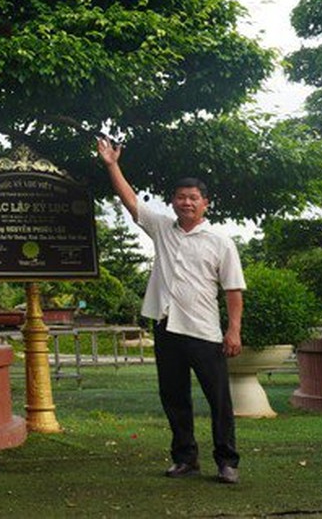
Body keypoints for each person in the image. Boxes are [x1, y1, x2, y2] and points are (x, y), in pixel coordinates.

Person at [96, 137, 245, 485]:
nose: (187, 202)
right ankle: (185, 459)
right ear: (173, 202)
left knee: (219, 401)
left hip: (205, 332)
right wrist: (111, 165)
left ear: (205, 203)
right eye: (181, 197)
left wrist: (233, 329)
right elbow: (131, 202)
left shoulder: (221, 242)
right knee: (175, 400)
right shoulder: (163, 229)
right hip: (167, 328)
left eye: (194, 198)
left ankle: (227, 462)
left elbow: (233, 290)